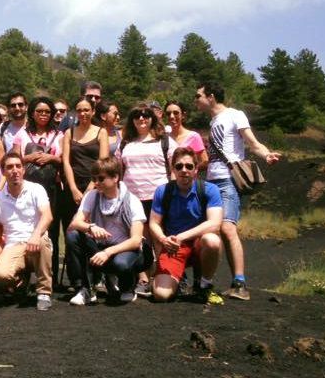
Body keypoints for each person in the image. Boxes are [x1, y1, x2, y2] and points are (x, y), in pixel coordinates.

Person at [195, 81, 281, 301]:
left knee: (227, 228)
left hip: (227, 181)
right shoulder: (214, 121)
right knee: (215, 231)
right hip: (211, 182)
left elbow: (252, 143)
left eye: (199, 96)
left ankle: (240, 283)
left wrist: (267, 154)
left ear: (211, 96)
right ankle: (215, 281)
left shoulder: (235, 115)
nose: (196, 100)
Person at [0, 153, 53, 311]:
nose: (15, 170)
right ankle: (21, 281)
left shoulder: (36, 189)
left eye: (18, 166)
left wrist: (35, 235)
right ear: (3, 171)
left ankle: (43, 292)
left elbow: (47, 216)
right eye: (9, 167)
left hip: (36, 241)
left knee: (43, 240)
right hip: (13, 245)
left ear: (23, 170)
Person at [65, 157, 146, 305]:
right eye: (94, 178)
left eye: (101, 178)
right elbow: (75, 223)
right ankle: (85, 288)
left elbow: (136, 240)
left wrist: (108, 252)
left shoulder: (132, 201)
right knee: (73, 236)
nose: (96, 182)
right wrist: (91, 227)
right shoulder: (92, 195)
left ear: (115, 177)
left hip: (126, 249)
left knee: (121, 264)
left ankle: (127, 286)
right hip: (100, 246)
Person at [149, 147, 224, 303]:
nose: (184, 170)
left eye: (189, 166)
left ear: (196, 169)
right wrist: (164, 239)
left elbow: (215, 224)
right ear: (173, 169)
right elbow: (154, 223)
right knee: (161, 295)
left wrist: (182, 237)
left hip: (198, 243)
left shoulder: (210, 190)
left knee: (212, 240)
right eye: (179, 166)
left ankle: (204, 285)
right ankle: (178, 280)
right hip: (173, 247)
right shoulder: (163, 191)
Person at [119, 103, 177, 297]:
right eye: (137, 116)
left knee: (160, 239)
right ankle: (143, 278)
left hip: (159, 197)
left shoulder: (165, 141)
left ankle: (162, 276)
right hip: (133, 199)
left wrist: (174, 192)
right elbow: (119, 170)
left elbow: (176, 166)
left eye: (146, 115)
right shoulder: (125, 143)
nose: (141, 119)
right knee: (140, 241)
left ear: (153, 118)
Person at [12, 96, 65, 287]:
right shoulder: (21, 134)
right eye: (39, 111)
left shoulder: (59, 135)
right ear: (32, 113)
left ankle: (50, 277)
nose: (43, 115)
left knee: (51, 229)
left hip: (52, 188)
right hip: (27, 189)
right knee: (26, 228)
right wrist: (30, 157)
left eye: (47, 112)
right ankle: (25, 276)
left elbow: (64, 160)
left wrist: (50, 158)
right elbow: (14, 160)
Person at [165, 100, 208, 170]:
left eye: (176, 113)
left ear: (183, 115)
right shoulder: (164, 139)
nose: (172, 116)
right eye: (168, 113)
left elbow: (205, 161)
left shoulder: (194, 136)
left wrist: (190, 170)